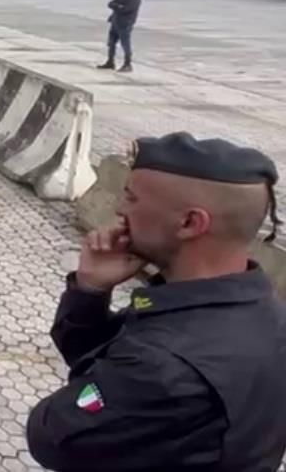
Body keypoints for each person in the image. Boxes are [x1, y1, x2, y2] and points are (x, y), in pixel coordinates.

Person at [26, 132, 286, 471]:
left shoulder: (163, 364)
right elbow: (96, 355)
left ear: (190, 223)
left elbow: (51, 435)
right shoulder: (262, 312)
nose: (120, 208)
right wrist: (90, 290)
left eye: (131, 198)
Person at [97, 0, 141, 73]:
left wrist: (117, 7)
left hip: (125, 24)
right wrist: (118, 6)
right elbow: (110, 3)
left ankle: (127, 64)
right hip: (115, 22)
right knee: (111, 43)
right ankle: (110, 62)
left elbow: (127, 9)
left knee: (125, 44)